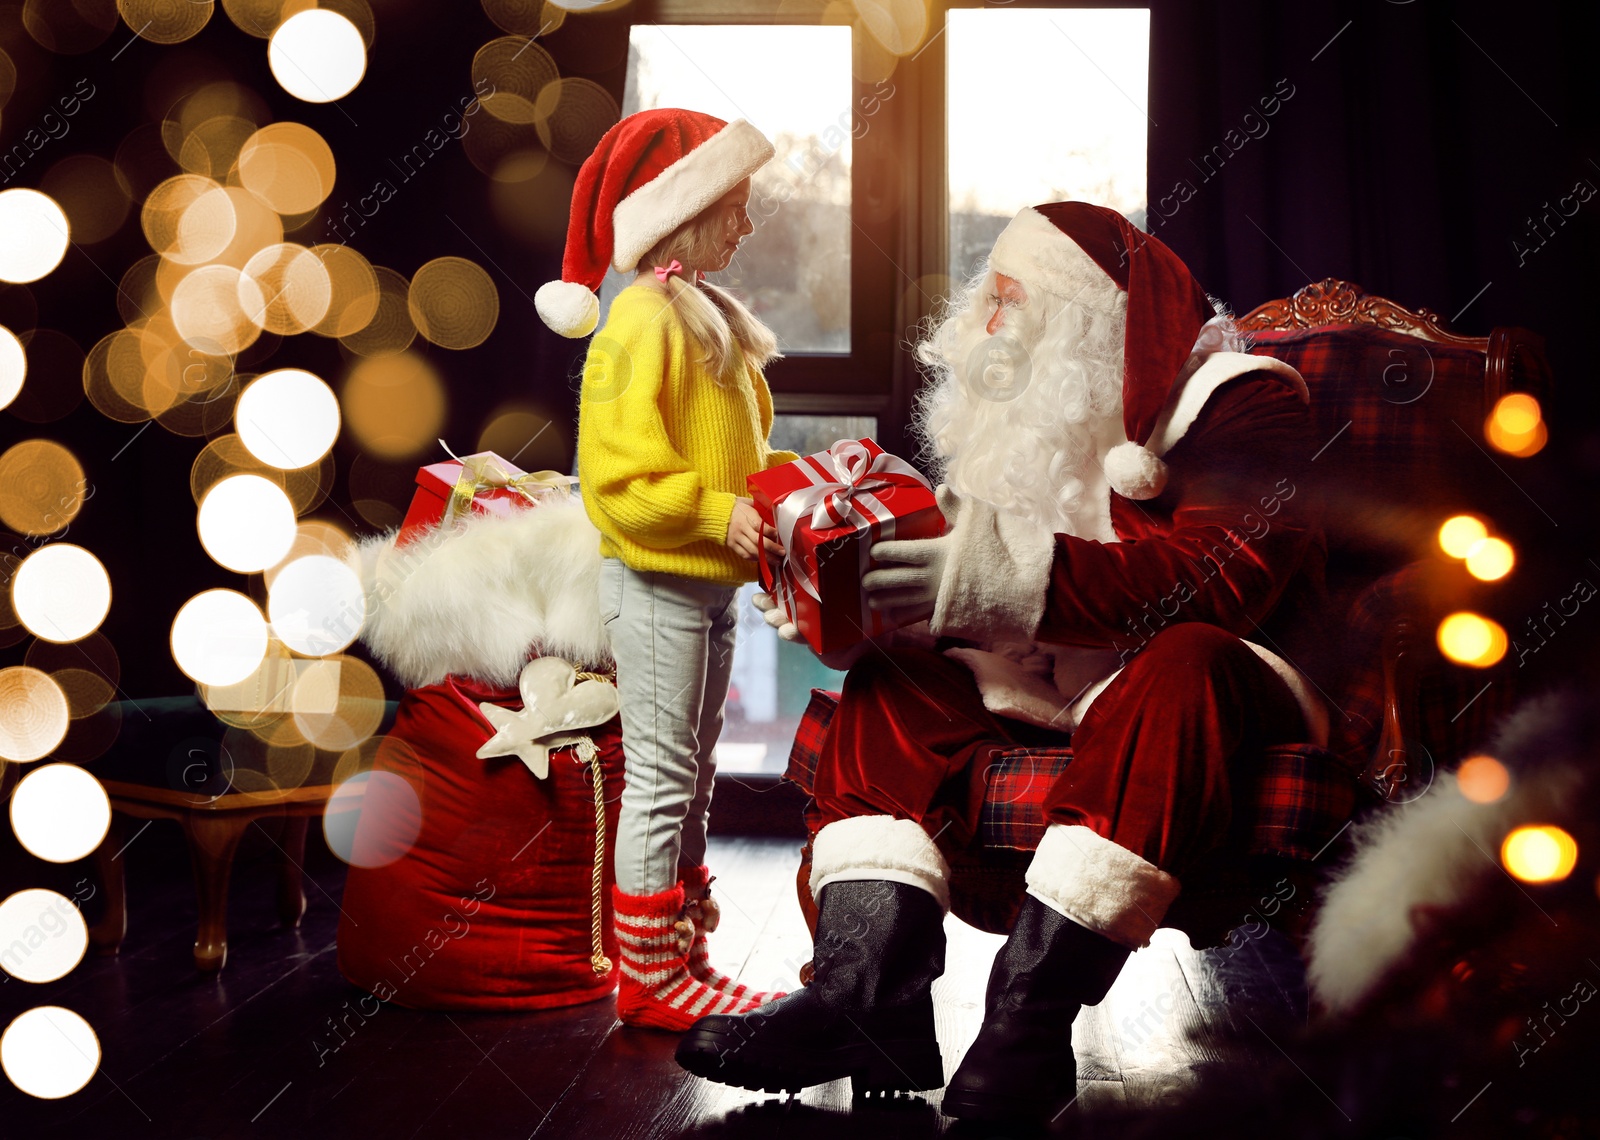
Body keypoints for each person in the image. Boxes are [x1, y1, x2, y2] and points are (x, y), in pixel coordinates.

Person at [674, 201, 1332, 1121]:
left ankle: (1030, 1017)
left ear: (1091, 321)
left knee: (1187, 657)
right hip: (1045, 681)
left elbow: (1222, 579)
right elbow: (964, 595)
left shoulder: (1243, 398)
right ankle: (868, 1001)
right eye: (988, 297)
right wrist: (857, 606)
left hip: (1212, 682)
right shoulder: (1018, 426)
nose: (983, 326)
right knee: (892, 682)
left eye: (1011, 302)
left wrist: (990, 577)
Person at [536, 108, 797, 1030]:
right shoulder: (640, 320)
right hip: (653, 583)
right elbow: (616, 481)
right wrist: (722, 514)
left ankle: (681, 952)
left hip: (701, 582)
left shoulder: (697, 312)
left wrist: (771, 506)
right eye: (736, 205)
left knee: (693, 772)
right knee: (659, 775)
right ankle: (647, 981)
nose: (748, 225)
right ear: (681, 216)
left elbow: (732, 449)